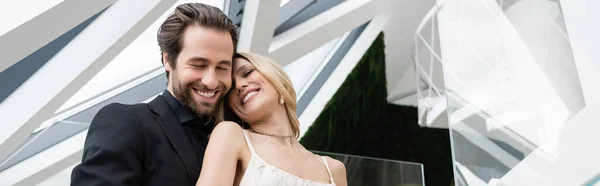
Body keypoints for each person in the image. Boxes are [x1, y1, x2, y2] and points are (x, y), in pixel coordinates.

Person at [70, 3, 237, 186]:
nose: (211, 81)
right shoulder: (126, 121)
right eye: (198, 65)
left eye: (222, 67)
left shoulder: (238, 134)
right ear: (168, 60)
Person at [195, 52, 348, 186]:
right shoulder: (231, 135)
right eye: (230, 89)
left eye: (247, 72)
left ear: (279, 82)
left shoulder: (334, 169)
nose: (240, 85)